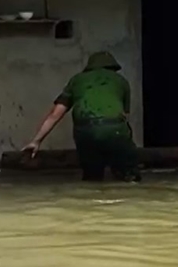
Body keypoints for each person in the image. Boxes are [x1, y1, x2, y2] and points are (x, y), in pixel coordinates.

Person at [24, 51, 140, 182]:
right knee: (129, 176)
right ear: (112, 67)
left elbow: (55, 114)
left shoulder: (76, 80)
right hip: (115, 130)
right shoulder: (121, 81)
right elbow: (125, 116)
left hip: (85, 132)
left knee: (92, 178)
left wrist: (36, 141)